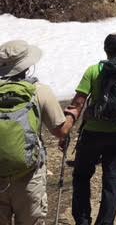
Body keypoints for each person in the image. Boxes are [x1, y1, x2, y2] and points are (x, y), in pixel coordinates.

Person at [63, 33, 116, 225]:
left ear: (106, 50)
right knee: (113, 180)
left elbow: (78, 102)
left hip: (93, 132)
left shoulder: (94, 70)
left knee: (82, 176)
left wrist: (66, 129)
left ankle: (83, 220)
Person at [0, 40, 74, 224]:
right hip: (29, 176)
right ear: (27, 66)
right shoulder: (39, 91)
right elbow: (60, 131)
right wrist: (72, 115)